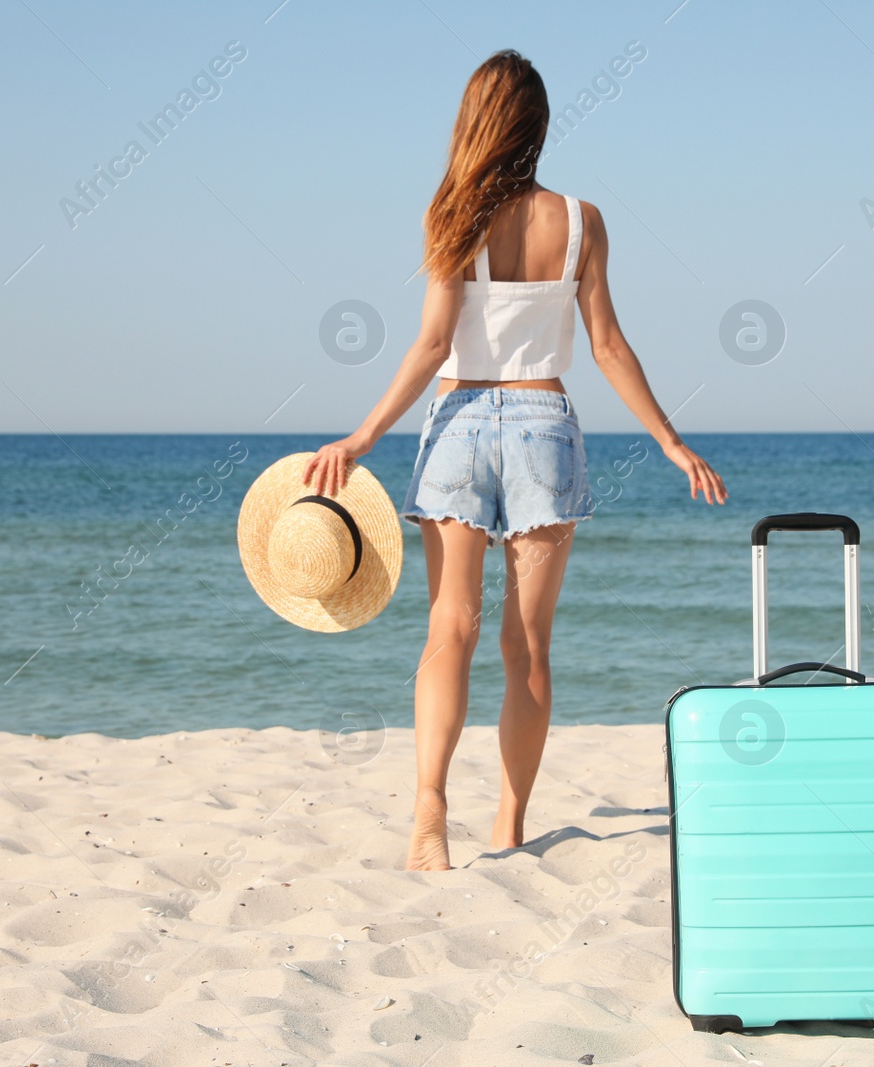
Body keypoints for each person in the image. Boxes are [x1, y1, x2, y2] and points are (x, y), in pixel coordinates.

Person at [303, 50, 727, 870]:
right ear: (537, 126)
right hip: (544, 423)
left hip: (459, 419)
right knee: (526, 645)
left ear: (474, 122)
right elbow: (607, 344)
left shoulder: (450, 214)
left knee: (448, 628)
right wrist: (670, 440)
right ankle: (510, 821)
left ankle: (430, 802)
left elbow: (432, 345)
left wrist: (362, 437)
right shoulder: (581, 220)